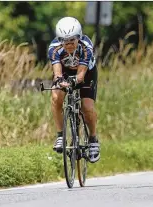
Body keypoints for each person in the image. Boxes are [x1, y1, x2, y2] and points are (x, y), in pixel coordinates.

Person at [47, 16, 100, 163]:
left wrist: (73, 82)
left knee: (87, 107)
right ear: (59, 40)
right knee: (56, 97)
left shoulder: (86, 47)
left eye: (72, 41)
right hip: (65, 71)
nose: (69, 45)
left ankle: (93, 139)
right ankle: (60, 135)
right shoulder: (54, 49)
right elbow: (57, 73)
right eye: (65, 41)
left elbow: (81, 76)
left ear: (79, 37)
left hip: (86, 72)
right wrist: (59, 81)